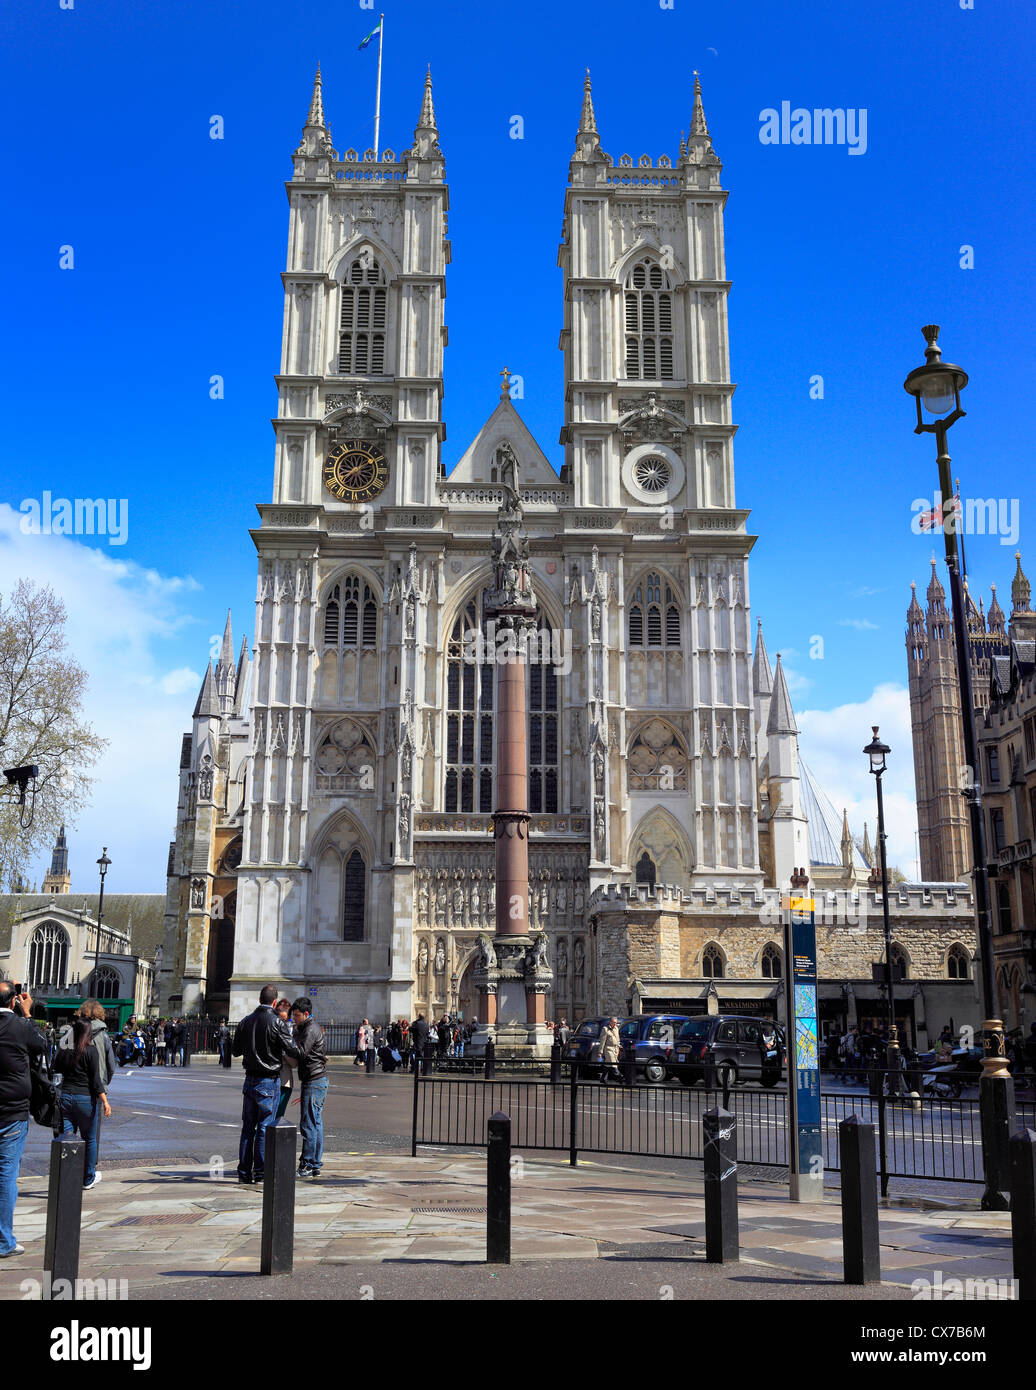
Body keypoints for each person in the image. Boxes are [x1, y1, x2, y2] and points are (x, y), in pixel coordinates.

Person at [232, 985, 300, 1184]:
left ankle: (244, 1172)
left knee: (247, 1129)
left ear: (259, 998)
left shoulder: (245, 1021)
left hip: (249, 1080)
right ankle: (260, 1172)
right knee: (264, 1127)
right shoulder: (277, 1023)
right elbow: (292, 1049)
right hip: (268, 1081)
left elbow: (235, 1051)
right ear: (274, 1002)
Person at [0, 982, 46, 1257]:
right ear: (13, 1001)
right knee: (6, 1176)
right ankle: (4, 1242)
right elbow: (42, 1046)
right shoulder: (19, 1025)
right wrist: (27, 1013)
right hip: (11, 1111)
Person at [54, 1017, 112, 1190]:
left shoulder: (66, 1050)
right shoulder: (91, 1050)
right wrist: (105, 1101)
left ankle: (66, 1176)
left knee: (67, 1138)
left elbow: (55, 1069)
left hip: (66, 1097)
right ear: (88, 1033)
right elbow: (96, 1081)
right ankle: (87, 1178)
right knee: (90, 1139)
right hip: (85, 1099)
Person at [289, 998, 328, 1177]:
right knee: (315, 1123)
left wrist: (286, 1047)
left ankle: (307, 1164)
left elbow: (300, 1053)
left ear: (306, 1014)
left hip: (313, 1080)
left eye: (296, 1016)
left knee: (308, 1124)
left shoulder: (310, 1029)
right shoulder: (308, 1028)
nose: (293, 1019)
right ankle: (315, 1163)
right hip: (317, 1079)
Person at [273, 999, 296, 1121]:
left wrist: (285, 1053)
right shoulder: (271, 1028)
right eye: (280, 1019)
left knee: (278, 1116)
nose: (282, 1022)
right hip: (271, 1079)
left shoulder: (291, 1031)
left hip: (284, 1080)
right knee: (267, 1117)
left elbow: (294, 1062)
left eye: (285, 1019)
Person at [599, 1017, 622, 1084]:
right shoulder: (605, 1029)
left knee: (607, 1065)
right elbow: (602, 1041)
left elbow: (617, 1039)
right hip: (608, 1049)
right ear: (610, 1022)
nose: (615, 1024)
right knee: (612, 1064)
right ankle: (620, 1077)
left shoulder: (616, 1029)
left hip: (615, 1049)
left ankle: (602, 1078)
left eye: (616, 1022)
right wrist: (600, 1052)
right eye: (614, 1022)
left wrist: (619, 1046)